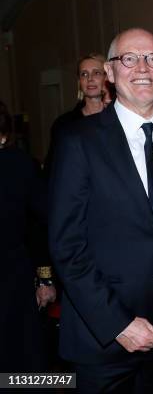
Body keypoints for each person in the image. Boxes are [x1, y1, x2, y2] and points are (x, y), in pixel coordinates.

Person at [48, 28, 153, 392]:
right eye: (129, 58)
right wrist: (118, 324)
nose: (143, 67)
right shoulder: (77, 141)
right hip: (103, 344)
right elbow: (66, 246)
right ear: (110, 72)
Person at [0, 101, 55, 372]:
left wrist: (44, 278)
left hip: (14, 279)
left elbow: (41, 225)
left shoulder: (18, 165)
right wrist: (45, 278)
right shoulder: (21, 162)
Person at [44, 53, 109, 176]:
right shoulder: (64, 125)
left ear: (106, 78)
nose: (90, 79)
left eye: (96, 73)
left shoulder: (119, 118)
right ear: (79, 82)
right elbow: (53, 170)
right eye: (84, 74)